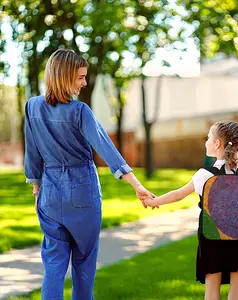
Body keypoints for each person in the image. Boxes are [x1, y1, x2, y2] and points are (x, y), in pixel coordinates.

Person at [24, 49, 154, 300]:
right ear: (64, 77)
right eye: (80, 77)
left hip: (49, 194)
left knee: (53, 264)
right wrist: (136, 184)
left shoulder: (32, 107)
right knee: (83, 264)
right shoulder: (79, 111)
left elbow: (32, 153)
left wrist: (37, 189)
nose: (84, 83)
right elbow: (106, 148)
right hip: (82, 191)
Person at [145, 120, 238, 300]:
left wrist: (154, 202)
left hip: (212, 241)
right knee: (237, 294)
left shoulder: (205, 175)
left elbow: (178, 195)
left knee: (211, 293)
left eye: (208, 138)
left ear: (217, 144)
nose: (206, 142)